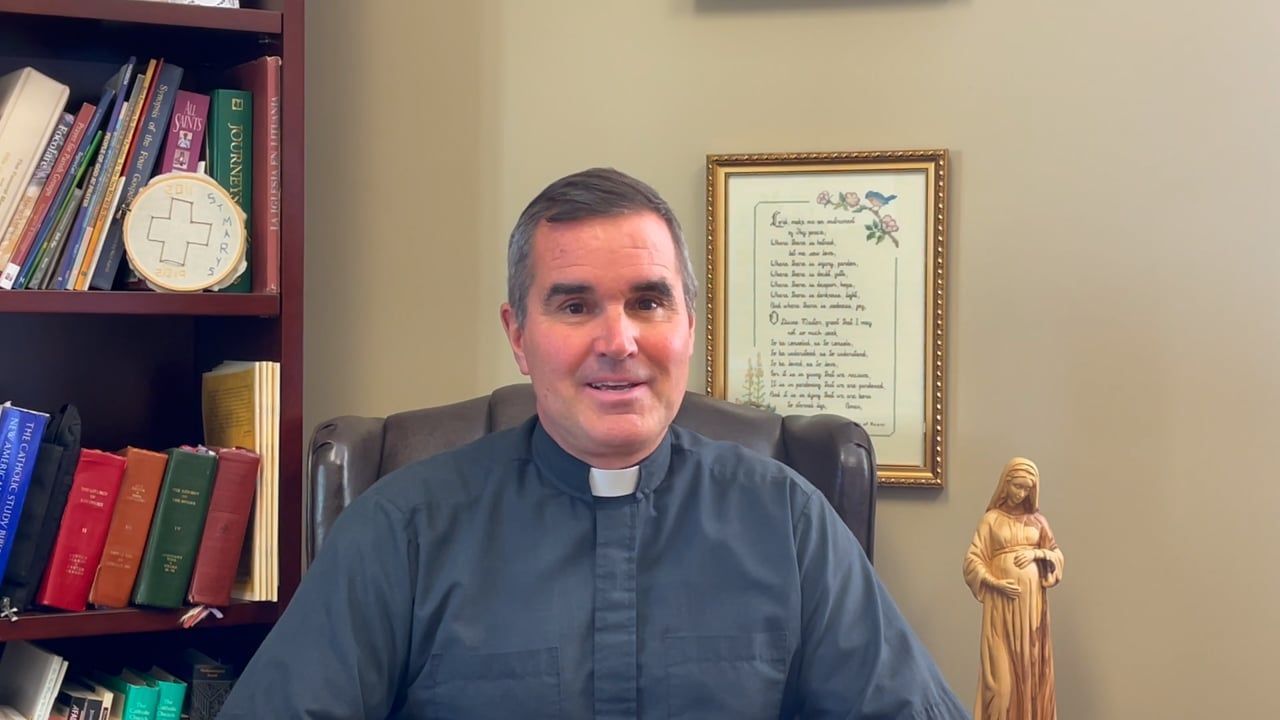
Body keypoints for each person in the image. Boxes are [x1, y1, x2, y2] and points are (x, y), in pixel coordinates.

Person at [218, 168, 967, 719]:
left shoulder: (790, 523)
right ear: (519, 337)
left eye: (649, 301)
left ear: (689, 328)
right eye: (575, 305)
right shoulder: (399, 531)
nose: (619, 341)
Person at [963, 458, 1064, 720]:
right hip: (1001, 608)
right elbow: (973, 560)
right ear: (1005, 483)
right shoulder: (991, 520)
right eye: (1017, 486)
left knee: (1031, 673)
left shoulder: (1038, 522)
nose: (1021, 493)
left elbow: (1057, 555)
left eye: (1027, 489)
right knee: (1000, 681)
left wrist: (1037, 555)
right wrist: (994, 582)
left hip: (1032, 611)